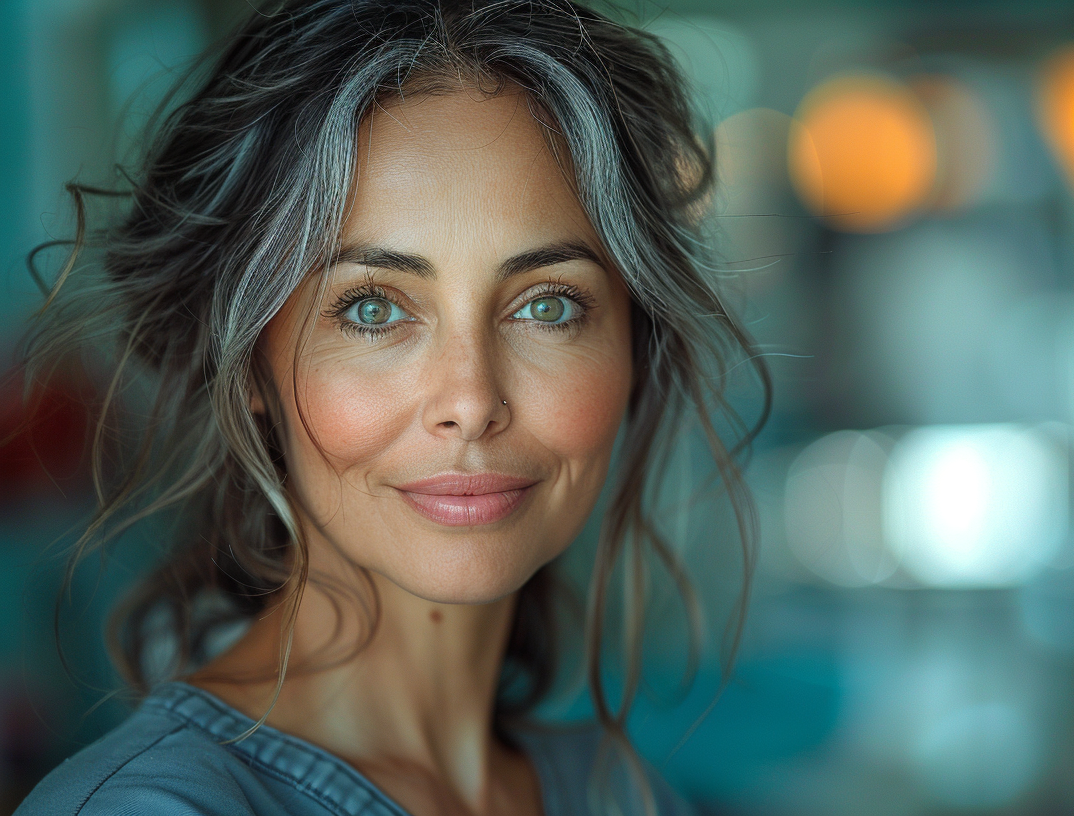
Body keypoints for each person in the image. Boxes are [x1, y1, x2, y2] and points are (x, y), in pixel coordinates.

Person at [14, 0, 768, 813]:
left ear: (632, 348)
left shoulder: (624, 796)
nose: (472, 401)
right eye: (373, 308)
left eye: (547, 305)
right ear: (250, 372)